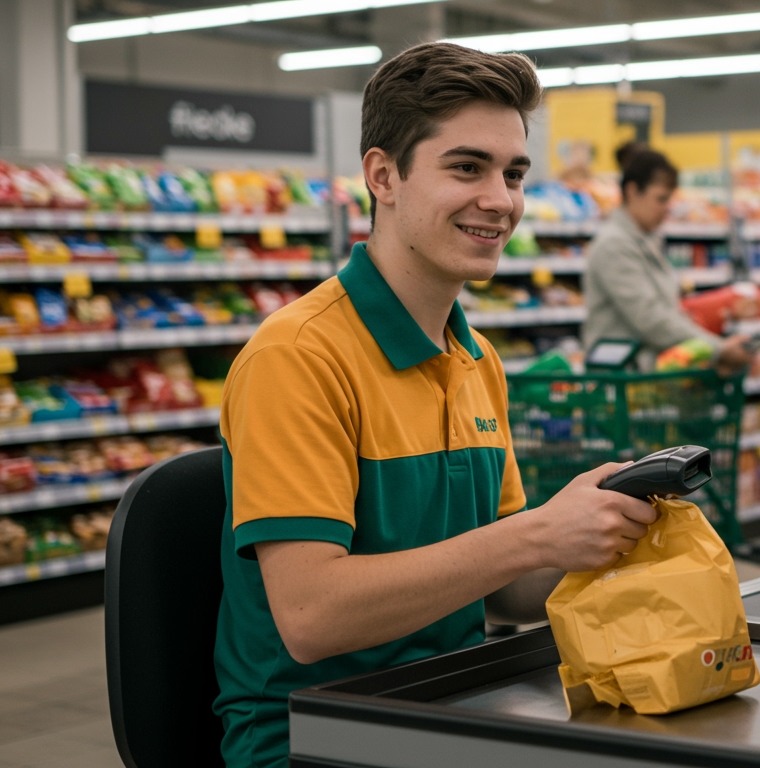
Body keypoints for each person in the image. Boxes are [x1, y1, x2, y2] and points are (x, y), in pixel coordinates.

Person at [212, 43, 660, 768]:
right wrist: (538, 536)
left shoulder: (476, 360)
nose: (501, 199)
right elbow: (310, 616)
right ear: (382, 176)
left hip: (456, 705)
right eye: (467, 167)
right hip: (313, 736)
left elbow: (505, 591)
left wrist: (607, 531)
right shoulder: (298, 356)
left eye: (513, 173)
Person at [583, 147, 751, 372]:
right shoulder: (614, 244)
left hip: (649, 379)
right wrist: (716, 349)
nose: (667, 208)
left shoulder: (644, 241)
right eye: (661, 198)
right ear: (632, 191)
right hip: (622, 382)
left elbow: (663, 310)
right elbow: (650, 317)